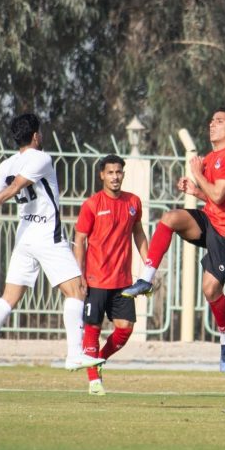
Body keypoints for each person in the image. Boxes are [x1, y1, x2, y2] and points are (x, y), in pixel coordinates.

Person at [0, 113, 104, 384]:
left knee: (8, 298)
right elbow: (15, 187)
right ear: (36, 135)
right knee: (76, 290)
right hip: (46, 235)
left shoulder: (6, 164)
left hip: (24, 238)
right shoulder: (41, 158)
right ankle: (74, 354)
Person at [122, 107, 225, 372]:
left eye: (219, 121)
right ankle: (146, 279)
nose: (212, 124)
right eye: (211, 120)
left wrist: (197, 175)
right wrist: (194, 190)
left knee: (210, 290)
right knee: (170, 218)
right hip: (210, 220)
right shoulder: (212, 158)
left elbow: (218, 196)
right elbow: (214, 198)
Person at [73, 154, 149, 395]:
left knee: (125, 328)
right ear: (102, 175)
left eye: (118, 172)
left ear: (123, 174)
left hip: (123, 281)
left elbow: (139, 233)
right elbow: (80, 240)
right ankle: (94, 381)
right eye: (110, 172)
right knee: (92, 328)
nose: (115, 177)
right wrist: (79, 275)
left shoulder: (133, 202)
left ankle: (99, 359)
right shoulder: (92, 204)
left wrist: (149, 267)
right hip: (96, 279)